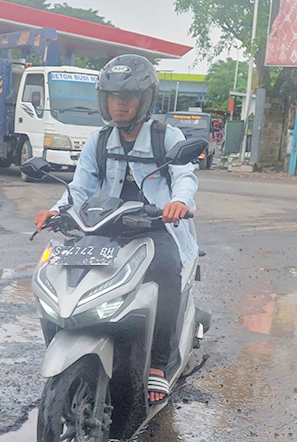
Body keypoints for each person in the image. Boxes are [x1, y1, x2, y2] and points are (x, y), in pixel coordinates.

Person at [33, 54, 199, 404]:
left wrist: (179, 203)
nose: (119, 104)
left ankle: (157, 363)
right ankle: (73, 341)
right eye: (112, 97)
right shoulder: (98, 140)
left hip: (156, 227)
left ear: (145, 99)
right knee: (58, 268)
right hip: (107, 225)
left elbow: (185, 175)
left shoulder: (166, 136)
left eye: (127, 97)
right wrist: (55, 210)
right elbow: (79, 187)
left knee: (167, 270)